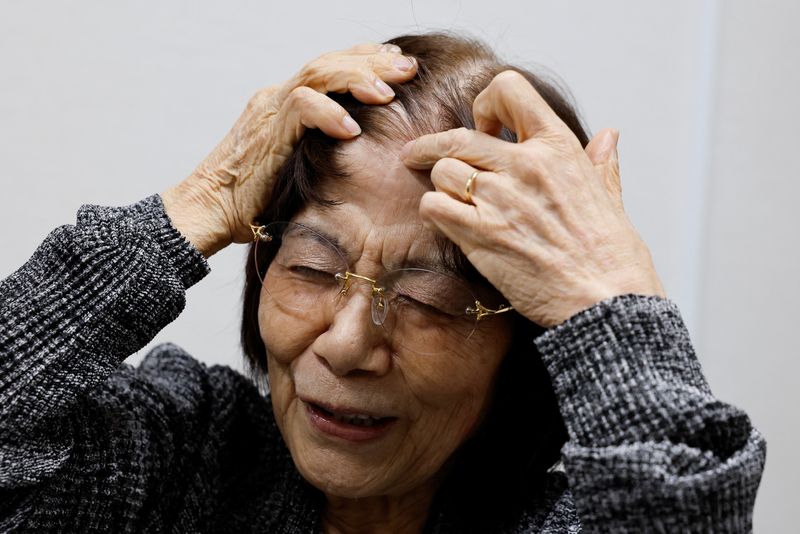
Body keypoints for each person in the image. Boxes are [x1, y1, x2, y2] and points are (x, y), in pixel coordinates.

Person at [0, 32, 765, 533]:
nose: (346, 343)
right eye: (311, 268)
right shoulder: (189, 456)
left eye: (427, 299)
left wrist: (608, 295)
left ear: (521, 339)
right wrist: (197, 204)